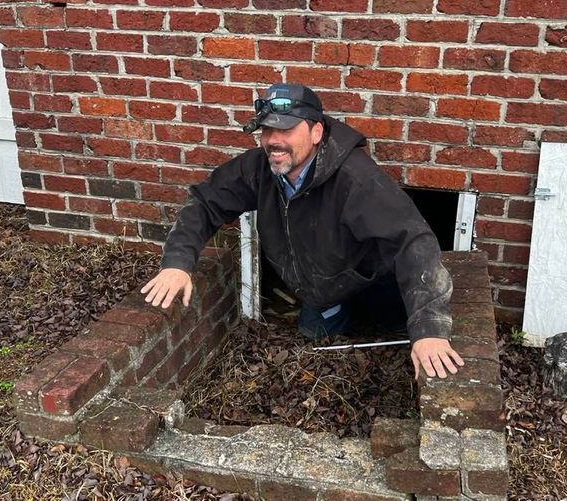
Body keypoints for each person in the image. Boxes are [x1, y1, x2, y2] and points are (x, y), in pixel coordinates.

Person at [141, 83, 464, 379]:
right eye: (266, 130)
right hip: (321, 290)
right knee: (316, 351)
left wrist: (429, 327)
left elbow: (412, 241)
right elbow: (204, 201)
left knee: (392, 351)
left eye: (286, 129)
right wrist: (177, 263)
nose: (273, 141)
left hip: (375, 285)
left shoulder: (357, 180)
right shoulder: (260, 170)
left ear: (316, 132)